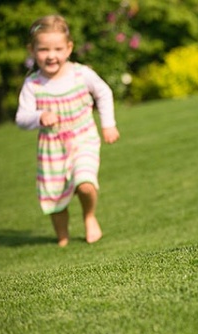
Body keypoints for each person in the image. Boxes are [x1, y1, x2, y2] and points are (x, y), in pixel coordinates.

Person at [15, 15, 120, 247]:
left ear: (69, 48)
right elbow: (21, 118)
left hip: (83, 138)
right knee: (55, 196)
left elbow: (103, 92)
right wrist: (39, 116)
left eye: (58, 48)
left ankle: (89, 216)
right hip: (51, 148)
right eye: (43, 49)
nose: (51, 55)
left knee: (85, 183)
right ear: (32, 50)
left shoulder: (81, 74)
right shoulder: (32, 84)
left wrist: (108, 124)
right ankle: (62, 235)